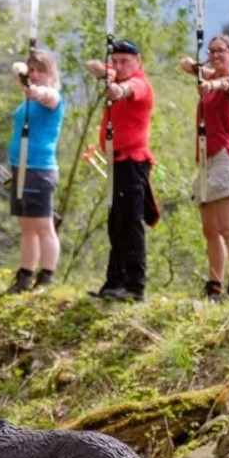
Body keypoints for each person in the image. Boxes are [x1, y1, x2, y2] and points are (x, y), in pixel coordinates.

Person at [84, 39, 159, 303]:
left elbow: (129, 89)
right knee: (116, 223)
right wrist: (108, 72)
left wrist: (117, 87)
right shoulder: (114, 74)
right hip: (116, 162)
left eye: (125, 61)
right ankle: (114, 282)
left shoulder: (140, 84)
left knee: (129, 222)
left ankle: (135, 285)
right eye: (115, 61)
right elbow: (91, 65)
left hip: (132, 162)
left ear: (137, 61)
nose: (119, 66)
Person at [179, 33, 229, 301]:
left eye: (222, 50)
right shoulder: (209, 78)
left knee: (228, 227)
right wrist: (200, 67)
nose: (217, 54)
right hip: (204, 161)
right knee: (210, 229)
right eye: (212, 51)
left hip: (224, 158)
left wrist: (211, 83)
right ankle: (214, 285)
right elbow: (185, 64)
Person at [0, 48, 66, 297]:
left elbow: (48, 95)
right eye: (33, 70)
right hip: (20, 167)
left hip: (39, 169)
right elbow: (16, 68)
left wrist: (38, 90)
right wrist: (25, 74)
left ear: (50, 73)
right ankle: (25, 277)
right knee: (26, 226)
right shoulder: (28, 94)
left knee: (43, 226)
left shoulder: (52, 98)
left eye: (41, 70)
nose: (36, 75)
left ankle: (46, 277)